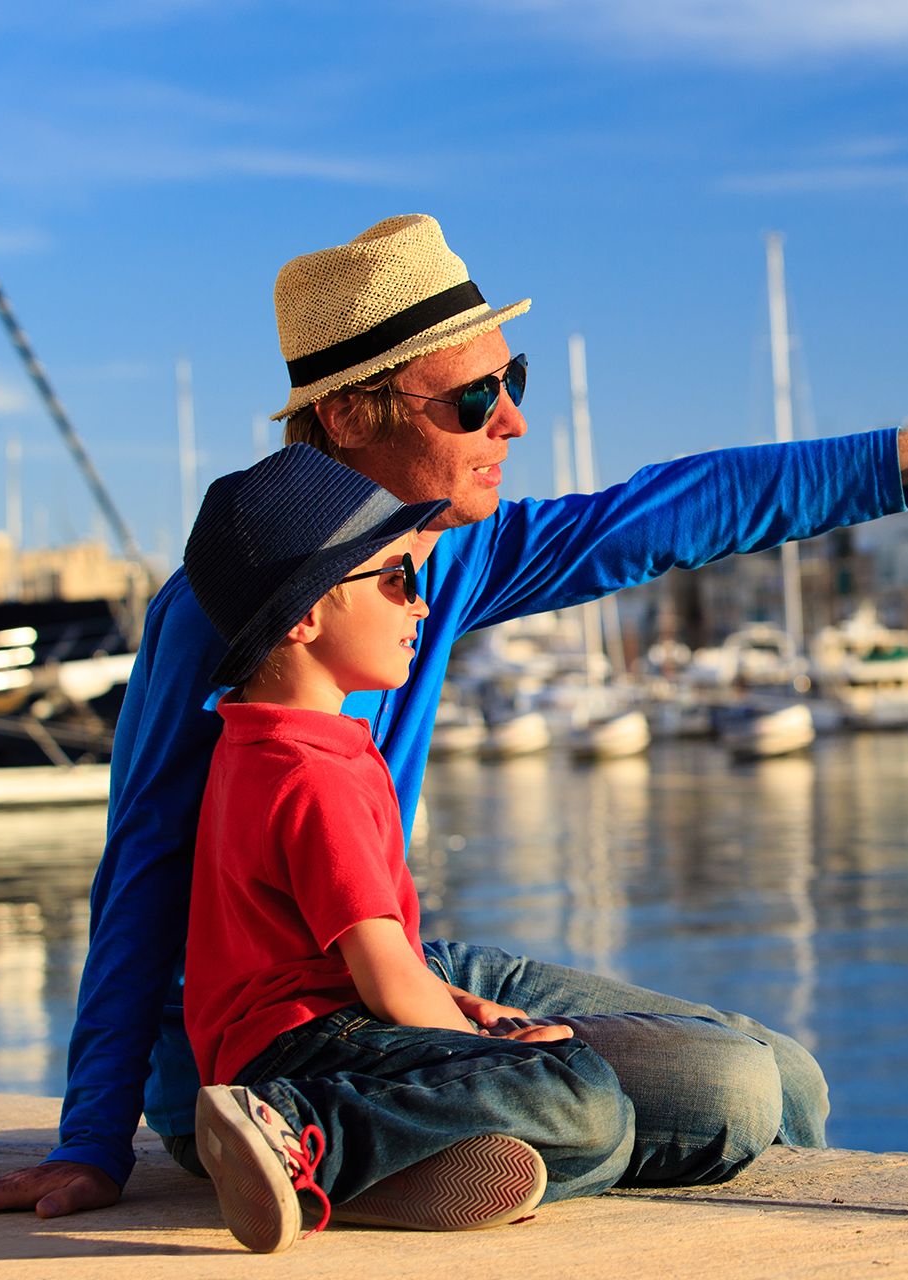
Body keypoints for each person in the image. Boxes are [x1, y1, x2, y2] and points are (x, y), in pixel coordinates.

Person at [0, 213, 908, 1222]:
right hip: (267, 1049)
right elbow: (142, 871)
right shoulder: (221, 614)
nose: (512, 420)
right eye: (475, 396)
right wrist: (89, 1143)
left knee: (786, 1080)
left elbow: (681, 509)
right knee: (730, 1097)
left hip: (391, 975)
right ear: (351, 416)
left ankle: (426, 1154)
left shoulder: (456, 556)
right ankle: (337, 1143)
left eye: (513, 381)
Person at [183, 444, 682, 1252]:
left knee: (600, 1134)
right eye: (396, 579)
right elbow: (383, 977)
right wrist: (480, 1048)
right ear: (303, 618)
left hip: (290, 1038)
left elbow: (347, 963)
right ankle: (303, 1133)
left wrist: (463, 1006)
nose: (419, 605)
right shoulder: (314, 773)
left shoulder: (255, 745)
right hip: (308, 1052)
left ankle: (344, 1175)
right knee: (584, 1094)